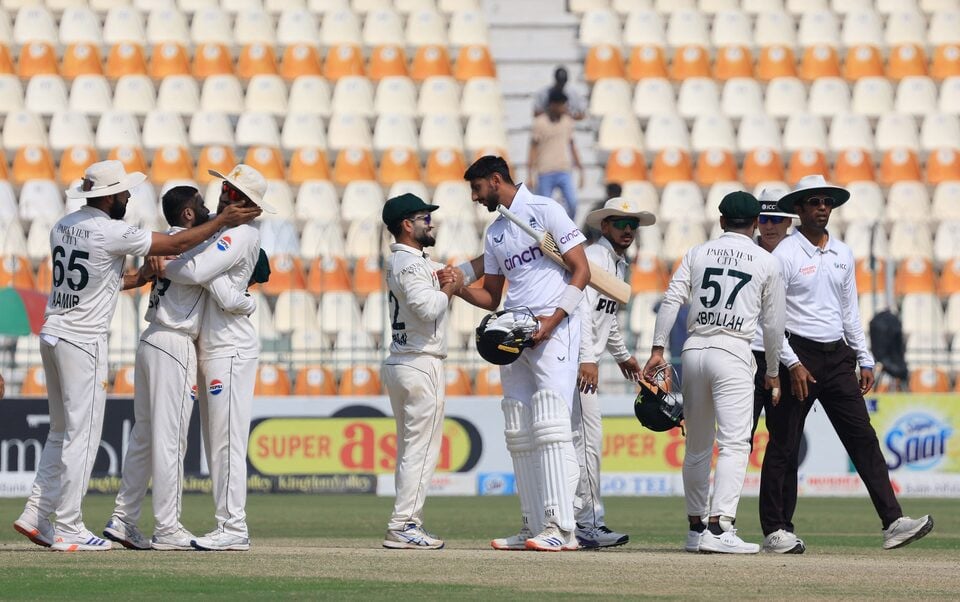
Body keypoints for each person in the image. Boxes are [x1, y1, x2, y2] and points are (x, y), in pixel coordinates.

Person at [12, 160, 259, 552]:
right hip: (89, 339)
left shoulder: (64, 225)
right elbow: (177, 246)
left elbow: (104, 279)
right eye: (124, 191)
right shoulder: (113, 230)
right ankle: (73, 526)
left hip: (55, 330)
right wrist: (224, 223)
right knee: (89, 434)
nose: (129, 196)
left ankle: (38, 514)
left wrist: (142, 277)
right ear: (109, 196)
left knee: (64, 431)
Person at [761, 174, 934, 551]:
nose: (823, 207)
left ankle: (893, 522)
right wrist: (790, 363)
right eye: (814, 201)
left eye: (827, 201)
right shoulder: (784, 255)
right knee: (784, 444)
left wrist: (865, 358)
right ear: (799, 209)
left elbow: (849, 311)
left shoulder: (842, 253)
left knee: (863, 438)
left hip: (837, 356)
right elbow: (771, 319)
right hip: (798, 355)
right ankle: (777, 530)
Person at [103, 186, 257, 551]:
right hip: (175, 341)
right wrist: (245, 302)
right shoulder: (194, 245)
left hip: (150, 338)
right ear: (188, 215)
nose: (208, 210)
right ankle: (168, 526)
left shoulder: (166, 243)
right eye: (202, 205)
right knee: (171, 441)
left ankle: (123, 519)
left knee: (144, 438)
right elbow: (210, 268)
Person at [458, 156, 591, 552]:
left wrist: (552, 321)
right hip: (515, 333)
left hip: (555, 330)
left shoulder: (545, 210)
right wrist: (459, 288)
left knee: (551, 423)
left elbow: (580, 270)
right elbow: (492, 295)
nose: (475, 197)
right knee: (518, 426)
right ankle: (533, 523)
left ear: (495, 180)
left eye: (477, 188)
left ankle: (561, 527)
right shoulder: (497, 231)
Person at [642, 191, 786, 555]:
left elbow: (672, 299)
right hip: (733, 349)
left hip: (693, 349)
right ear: (755, 224)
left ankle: (695, 529)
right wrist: (771, 371)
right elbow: (772, 325)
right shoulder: (766, 261)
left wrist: (658, 349)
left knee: (697, 445)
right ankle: (721, 527)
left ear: (721, 221)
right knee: (736, 443)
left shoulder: (698, 252)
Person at [162, 165, 273, 551]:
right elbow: (219, 288)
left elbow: (196, 273)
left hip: (230, 349)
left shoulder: (241, 234)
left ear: (242, 200)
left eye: (230, 188)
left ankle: (234, 527)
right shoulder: (224, 232)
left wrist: (174, 262)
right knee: (216, 443)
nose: (222, 191)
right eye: (225, 185)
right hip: (215, 347)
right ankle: (227, 523)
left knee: (226, 442)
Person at [379, 194, 464, 550]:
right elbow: (428, 308)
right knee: (421, 450)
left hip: (403, 361)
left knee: (411, 449)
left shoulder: (411, 261)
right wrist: (449, 287)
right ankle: (404, 525)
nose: (431, 223)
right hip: (420, 362)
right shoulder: (410, 265)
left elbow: (453, 274)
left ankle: (405, 522)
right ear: (406, 225)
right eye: (423, 217)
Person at [573, 197, 654, 548]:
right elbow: (579, 313)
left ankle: (572, 520)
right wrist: (587, 359)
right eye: (620, 223)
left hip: (581, 360)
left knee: (580, 443)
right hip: (575, 363)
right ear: (604, 226)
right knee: (587, 443)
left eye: (632, 224)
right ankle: (588, 523)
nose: (628, 230)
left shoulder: (617, 265)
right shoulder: (593, 258)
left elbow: (608, 319)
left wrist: (623, 356)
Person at [528, 90, 583, 220]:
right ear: (553, 105)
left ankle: (568, 232)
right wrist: (530, 174)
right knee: (544, 208)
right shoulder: (540, 122)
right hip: (545, 171)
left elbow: (572, 145)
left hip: (564, 170)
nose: (564, 108)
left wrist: (581, 170)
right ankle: (548, 236)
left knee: (573, 204)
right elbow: (533, 149)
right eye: (561, 105)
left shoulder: (567, 121)